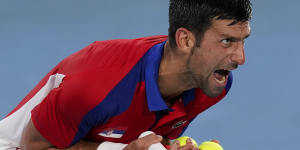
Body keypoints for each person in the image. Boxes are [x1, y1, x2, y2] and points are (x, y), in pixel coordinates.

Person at [0, 0, 252, 150]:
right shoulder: (96, 85)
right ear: (185, 40)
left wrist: (169, 145)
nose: (240, 58)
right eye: (226, 41)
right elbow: (32, 147)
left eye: (242, 41)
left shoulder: (210, 83)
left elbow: (141, 131)